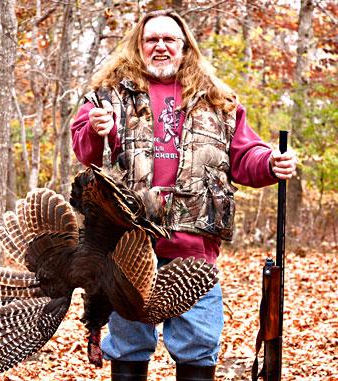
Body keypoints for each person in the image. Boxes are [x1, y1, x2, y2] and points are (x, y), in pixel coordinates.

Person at [71, 9, 297, 381]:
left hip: (193, 252)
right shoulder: (106, 96)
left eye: (169, 39)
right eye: (151, 39)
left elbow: (244, 156)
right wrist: (97, 130)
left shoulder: (218, 101)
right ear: (138, 46)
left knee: (197, 346)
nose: (160, 46)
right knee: (127, 346)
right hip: (127, 249)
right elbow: (86, 152)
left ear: (184, 46)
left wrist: (272, 163)